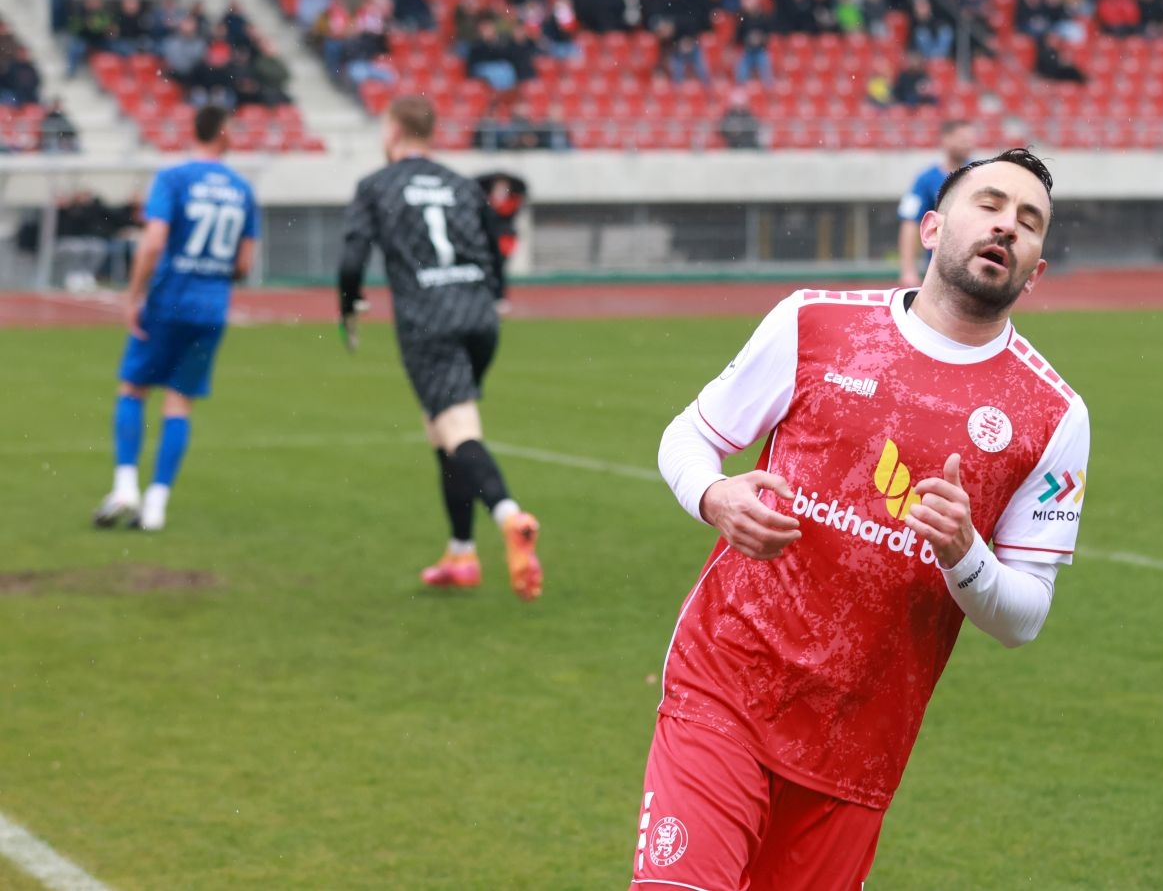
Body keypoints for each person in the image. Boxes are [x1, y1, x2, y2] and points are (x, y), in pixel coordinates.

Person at [634, 147, 1090, 889]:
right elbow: (689, 436)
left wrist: (965, 554)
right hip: (727, 685)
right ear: (934, 228)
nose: (1007, 224)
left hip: (859, 743)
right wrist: (715, 496)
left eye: (1029, 220)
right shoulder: (815, 322)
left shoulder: (1054, 414)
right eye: (991, 204)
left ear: (1036, 270)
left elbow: (1024, 616)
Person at [338, 96, 543, 601]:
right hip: (478, 316)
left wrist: (349, 303)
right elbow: (493, 246)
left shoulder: (376, 185)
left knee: (457, 428)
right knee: (443, 432)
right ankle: (460, 553)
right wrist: (494, 296)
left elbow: (351, 256)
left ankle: (509, 516)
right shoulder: (460, 183)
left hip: (430, 320)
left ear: (393, 130)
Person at [93, 105, 259, 532]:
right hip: (211, 308)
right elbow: (244, 263)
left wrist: (133, 296)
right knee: (179, 401)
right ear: (223, 133)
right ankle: (157, 505)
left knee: (134, 387)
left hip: (169, 300)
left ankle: (126, 485)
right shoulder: (242, 189)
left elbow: (153, 242)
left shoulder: (172, 178)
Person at [896, 118, 976, 286]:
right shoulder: (925, 180)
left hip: (975, 262)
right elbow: (910, 222)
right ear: (945, 140)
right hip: (939, 266)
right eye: (962, 139)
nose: (968, 144)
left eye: (970, 140)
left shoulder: (981, 174)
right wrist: (908, 270)